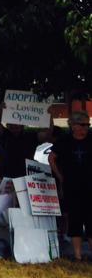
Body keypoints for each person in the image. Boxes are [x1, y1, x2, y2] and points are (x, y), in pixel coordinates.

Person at [49, 112, 91, 261]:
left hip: (90, 186)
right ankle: (78, 255)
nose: (85, 128)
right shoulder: (64, 141)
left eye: (88, 125)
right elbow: (51, 158)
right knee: (75, 221)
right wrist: (60, 177)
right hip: (72, 187)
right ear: (73, 126)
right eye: (82, 125)